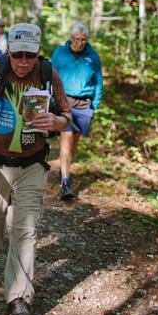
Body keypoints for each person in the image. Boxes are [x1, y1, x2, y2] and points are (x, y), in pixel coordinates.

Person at [0, 22, 72, 315]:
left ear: (38, 53)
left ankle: (18, 297)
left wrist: (57, 122)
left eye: (30, 56)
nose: (23, 62)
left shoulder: (49, 75)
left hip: (32, 165)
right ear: (9, 50)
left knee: (25, 230)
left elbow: (67, 117)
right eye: (18, 54)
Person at [50, 22, 103, 200]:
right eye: (77, 39)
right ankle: (65, 182)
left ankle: (64, 168)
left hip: (84, 105)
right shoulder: (60, 52)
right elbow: (51, 74)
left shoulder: (93, 56)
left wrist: (95, 104)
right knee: (67, 139)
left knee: (73, 145)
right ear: (71, 38)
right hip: (65, 102)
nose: (80, 43)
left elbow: (99, 82)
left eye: (83, 39)